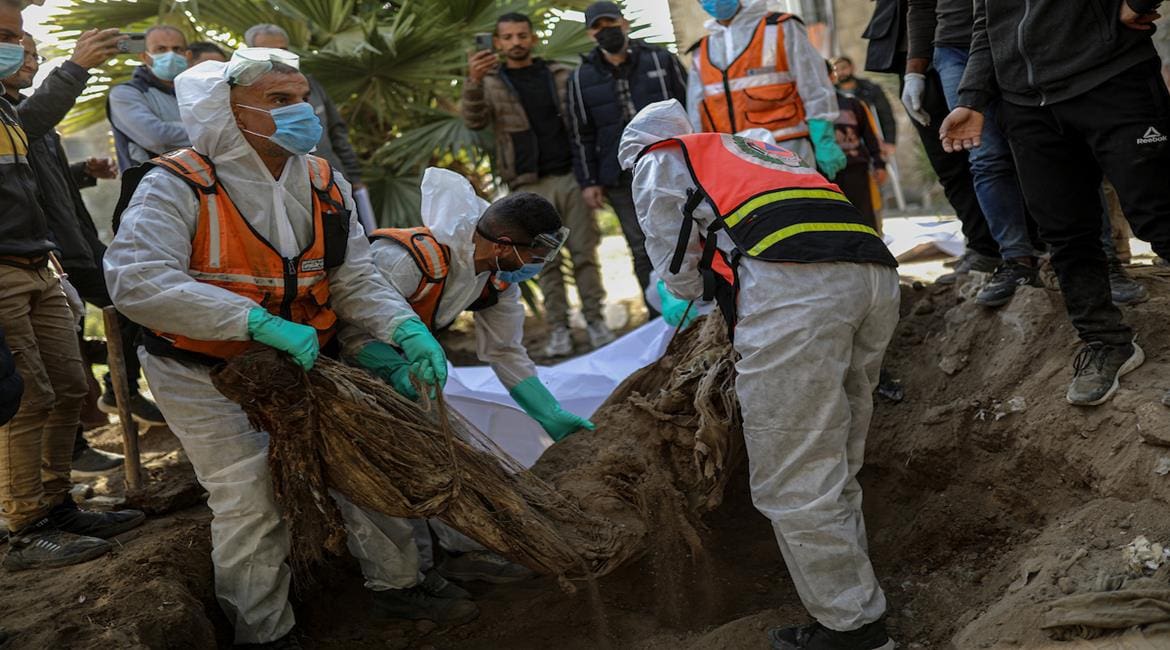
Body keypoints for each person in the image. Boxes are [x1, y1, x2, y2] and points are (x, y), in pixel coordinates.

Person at [104, 52, 460, 645]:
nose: (301, 112)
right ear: (231, 111)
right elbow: (137, 280)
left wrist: (404, 329)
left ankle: (399, 585)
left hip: (304, 355)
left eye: (301, 98)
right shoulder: (177, 183)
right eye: (279, 100)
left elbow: (353, 277)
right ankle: (265, 631)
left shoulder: (322, 180)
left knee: (363, 460)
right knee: (248, 494)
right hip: (200, 365)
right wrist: (250, 322)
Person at [620, 100, 897, 650]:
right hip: (873, 276)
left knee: (794, 475)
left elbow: (678, 268)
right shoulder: (753, 147)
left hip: (795, 291)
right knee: (836, 459)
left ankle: (853, 630)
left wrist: (690, 293)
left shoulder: (658, 157)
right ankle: (855, 600)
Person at [339, 167, 593, 600]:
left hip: (412, 371)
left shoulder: (497, 278)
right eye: (535, 255)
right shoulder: (406, 260)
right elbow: (348, 329)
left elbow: (504, 351)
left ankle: (463, 550)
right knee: (378, 474)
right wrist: (392, 369)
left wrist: (546, 410)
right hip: (351, 372)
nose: (538, 265)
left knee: (456, 456)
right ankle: (399, 587)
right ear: (502, 245)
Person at [940, 0, 1170, 406]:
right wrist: (971, 98)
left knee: (1160, 216)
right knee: (1065, 233)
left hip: (1111, 76)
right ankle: (1105, 341)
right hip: (1026, 105)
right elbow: (986, 22)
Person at [0, 0, 145, 572]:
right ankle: (26, 525)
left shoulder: (6, 110)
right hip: (5, 272)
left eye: (18, 37)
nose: (16, 49)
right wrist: (75, 67)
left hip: (39, 263)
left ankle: (56, 506)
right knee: (27, 398)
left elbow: (32, 135)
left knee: (66, 389)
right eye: (5, 35)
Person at [5, 31, 165, 473]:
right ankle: (68, 455)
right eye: (17, 49)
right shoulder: (18, 114)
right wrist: (76, 68)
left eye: (34, 55)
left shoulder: (26, 111)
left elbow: (37, 178)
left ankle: (119, 389)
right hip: (44, 254)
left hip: (75, 242)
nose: (28, 61)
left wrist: (81, 171)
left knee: (129, 305)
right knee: (55, 365)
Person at [462, 12, 614, 357]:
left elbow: (582, 123)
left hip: (570, 177)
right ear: (498, 43)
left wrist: (590, 177)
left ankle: (596, 322)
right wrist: (472, 81)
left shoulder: (559, 74)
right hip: (527, 185)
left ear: (532, 38)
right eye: (508, 37)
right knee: (542, 261)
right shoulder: (490, 81)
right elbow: (474, 120)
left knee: (585, 254)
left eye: (521, 35)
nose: (516, 42)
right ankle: (559, 328)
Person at [905, 0, 1042, 307]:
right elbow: (921, 5)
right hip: (954, 46)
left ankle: (1084, 254)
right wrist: (914, 72)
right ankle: (1017, 259)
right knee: (984, 157)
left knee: (1043, 146)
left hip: (1019, 32)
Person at [861, 0, 1001, 284]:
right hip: (912, 49)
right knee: (947, 160)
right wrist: (914, 71)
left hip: (967, 39)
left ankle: (1020, 248)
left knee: (989, 153)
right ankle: (982, 246)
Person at [566, 1, 687, 317]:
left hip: (672, 166)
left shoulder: (660, 59)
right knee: (641, 246)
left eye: (610, 22)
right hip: (621, 178)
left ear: (624, 23)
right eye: (597, 26)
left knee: (687, 234)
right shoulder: (580, 78)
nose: (605, 30)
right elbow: (580, 134)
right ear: (590, 34)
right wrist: (589, 182)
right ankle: (660, 315)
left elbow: (689, 105)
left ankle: (698, 304)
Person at [685, 0, 846, 180]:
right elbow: (696, 112)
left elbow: (814, 84)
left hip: (786, 151)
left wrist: (824, 139)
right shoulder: (701, 52)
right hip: (733, 159)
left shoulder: (781, 27)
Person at [243, 25, 367, 208]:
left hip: (332, 183)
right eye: (268, 52)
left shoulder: (310, 85)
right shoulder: (245, 96)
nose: (277, 57)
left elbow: (337, 132)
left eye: (282, 50)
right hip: (284, 193)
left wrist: (353, 177)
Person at [107, 25, 190, 171]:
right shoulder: (125, 94)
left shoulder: (194, 91)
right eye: (161, 49)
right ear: (145, 57)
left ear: (187, 55)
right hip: (154, 181)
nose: (171, 55)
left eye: (177, 49)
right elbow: (157, 137)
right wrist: (208, 131)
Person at [827, 62, 887, 232]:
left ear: (832, 77)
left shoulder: (853, 104)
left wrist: (879, 163)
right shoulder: (809, 108)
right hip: (826, 174)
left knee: (865, 218)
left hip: (856, 168)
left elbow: (870, 137)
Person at [830, 56, 897, 159]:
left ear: (852, 67)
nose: (840, 72)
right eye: (836, 70)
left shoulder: (870, 89)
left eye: (843, 68)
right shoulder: (830, 94)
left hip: (873, 138)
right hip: (846, 144)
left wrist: (889, 141)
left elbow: (886, 115)